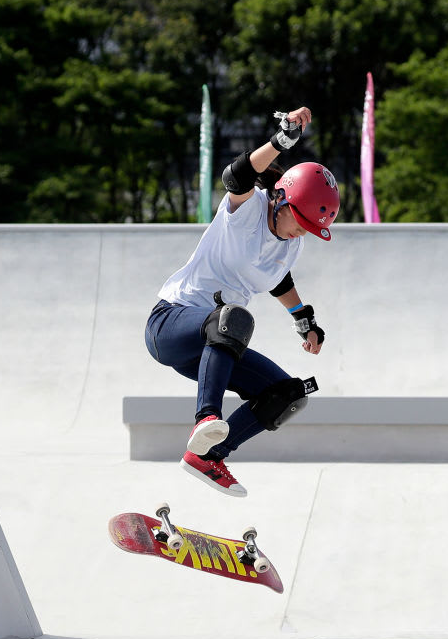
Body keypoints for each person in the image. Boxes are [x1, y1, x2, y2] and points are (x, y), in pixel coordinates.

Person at [144, 106, 340, 498]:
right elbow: (235, 175)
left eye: (310, 228)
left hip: (213, 348)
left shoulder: (291, 246)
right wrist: (282, 140)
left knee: (288, 393)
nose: (301, 231)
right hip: (171, 325)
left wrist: (305, 319)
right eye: (299, 220)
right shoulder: (247, 209)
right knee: (233, 318)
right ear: (281, 199)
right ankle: (206, 417)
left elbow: (276, 278)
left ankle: (210, 456)